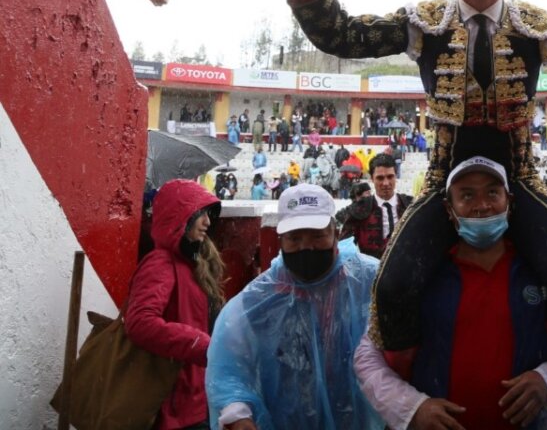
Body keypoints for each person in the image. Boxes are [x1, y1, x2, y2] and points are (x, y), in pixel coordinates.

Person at [290, 0, 547, 356]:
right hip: (445, 180)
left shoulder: (536, 25)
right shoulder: (426, 23)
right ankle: (410, 403)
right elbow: (346, 38)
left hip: (519, 177)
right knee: (392, 287)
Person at [354, 156, 547, 429]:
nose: (482, 205)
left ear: (509, 203)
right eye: (467, 195)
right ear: (449, 209)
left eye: (492, 192)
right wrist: (411, 408)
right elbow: (368, 355)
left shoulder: (541, 269)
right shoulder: (422, 275)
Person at [206, 185, 384, 430]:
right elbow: (228, 369)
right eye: (295, 238)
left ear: (336, 232)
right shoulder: (259, 298)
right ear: (281, 240)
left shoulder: (369, 279)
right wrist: (238, 415)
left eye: (317, 235)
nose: (306, 247)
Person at [125, 179, 224, 430]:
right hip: (172, 405)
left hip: (192, 398)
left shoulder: (191, 263)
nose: (207, 222)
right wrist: (200, 344)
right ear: (180, 216)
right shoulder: (160, 262)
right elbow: (140, 323)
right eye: (201, 214)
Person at [339, 153, 412, 259]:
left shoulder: (410, 205)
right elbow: (345, 249)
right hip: (371, 272)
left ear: (395, 176)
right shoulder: (359, 208)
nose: (386, 183)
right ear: (372, 178)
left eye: (390, 177)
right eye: (380, 178)